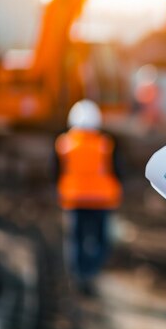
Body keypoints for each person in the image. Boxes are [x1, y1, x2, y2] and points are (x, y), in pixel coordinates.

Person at [55, 99, 122, 296]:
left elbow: (56, 172)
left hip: (74, 200)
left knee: (76, 240)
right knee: (101, 241)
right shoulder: (105, 145)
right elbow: (118, 171)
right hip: (102, 201)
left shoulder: (64, 144)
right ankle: (90, 272)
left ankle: (79, 275)